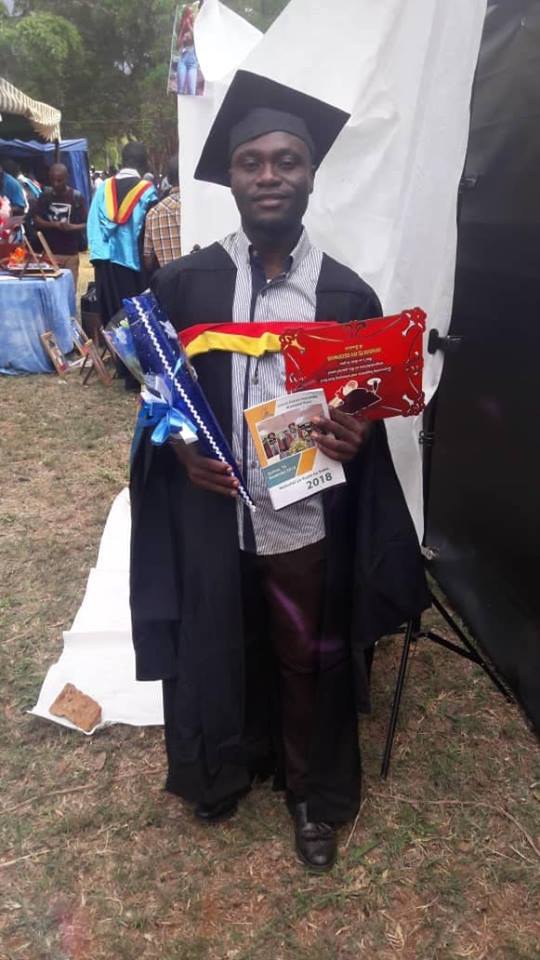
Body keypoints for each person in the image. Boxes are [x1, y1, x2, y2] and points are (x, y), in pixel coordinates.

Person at [129, 72, 429, 872]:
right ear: (230, 177)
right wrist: (180, 448)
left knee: (307, 653)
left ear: (310, 174)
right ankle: (220, 768)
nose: (269, 175)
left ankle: (312, 794)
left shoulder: (346, 295)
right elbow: (158, 396)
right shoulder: (186, 284)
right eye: (252, 162)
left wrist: (355, 433)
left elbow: (364, 409)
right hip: (212, 513)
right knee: (216, 644)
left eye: (287, 161)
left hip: (302, 517)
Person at [87, 141, 158, 387]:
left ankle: (122, 367)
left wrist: (99, 258)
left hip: (106, 263)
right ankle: (139, 374)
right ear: (143, 163)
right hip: (135, 264)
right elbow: (148, 229)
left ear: (123, 162)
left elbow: (93, 226)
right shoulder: (147, 191)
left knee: (113, 314)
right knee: (137, 316)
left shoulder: (103, 189)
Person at [33, 163, 87, 288]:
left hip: (70, 254)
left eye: (59, 180)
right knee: (51, 290)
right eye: (53, 180)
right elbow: (36, 220)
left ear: (66, 178)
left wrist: (72, 227)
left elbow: (86, 223)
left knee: (69, 290)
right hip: (49, 253)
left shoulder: (76, 197)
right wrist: (54, 225)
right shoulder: (45, 196)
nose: (56, 184)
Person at [143, 154, 181, 273]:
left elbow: (148, 261)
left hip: (169, 279)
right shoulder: (201, 208)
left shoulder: (153, 213)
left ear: (168, 180)